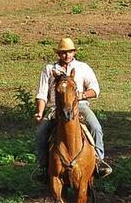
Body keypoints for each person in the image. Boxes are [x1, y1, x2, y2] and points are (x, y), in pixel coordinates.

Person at [34, 37, 112, 177]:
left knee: (95, 127)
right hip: (55, 108)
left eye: (69, 52)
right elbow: (42, 93)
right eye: (63, 52)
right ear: (58, 53)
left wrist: (81, 95)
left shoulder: (83, 67)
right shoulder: (49, 69)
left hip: (79, 106)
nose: (67, 55)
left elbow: (95, 89)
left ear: (74, 52)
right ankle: (43, 167)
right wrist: (40, 112)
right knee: (40, 133)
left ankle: (99, 161)